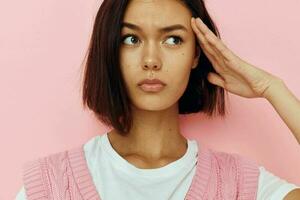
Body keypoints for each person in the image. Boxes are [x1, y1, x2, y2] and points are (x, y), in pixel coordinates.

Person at [16, 0, 300, 199]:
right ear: (110, 51)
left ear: (196, 54)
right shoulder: (49, 185)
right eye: (131, 39)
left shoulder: (239, 185)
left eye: (173, 40)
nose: (151, 60)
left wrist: (271, 88)